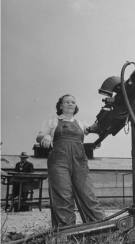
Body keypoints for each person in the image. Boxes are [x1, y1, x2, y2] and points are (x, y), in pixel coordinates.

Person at [36, 94, 105, 228]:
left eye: (73, 102)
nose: (70, 104)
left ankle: (99, 227)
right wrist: (46, 136)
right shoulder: (53, 121)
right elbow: (39, 136)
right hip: (59, 162)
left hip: (79, 161)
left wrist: (99, 133)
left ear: (76, 106)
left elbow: (95, 129)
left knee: (88, 194)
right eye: (66, 102)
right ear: (60, 106)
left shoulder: (80, 123)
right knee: (63, 195)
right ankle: (65, 231)